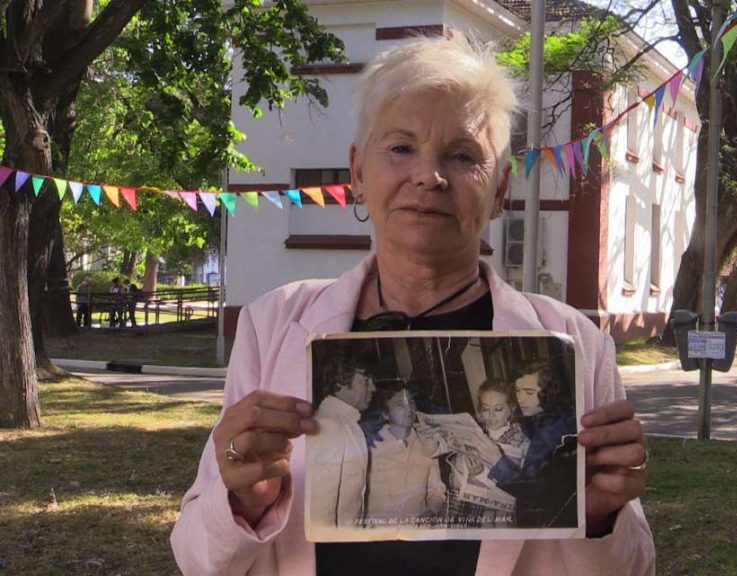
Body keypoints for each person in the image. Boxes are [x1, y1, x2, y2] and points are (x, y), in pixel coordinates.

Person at [171, 32, 654, 576]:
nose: (429, 175)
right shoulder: (274, 325)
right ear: (358, 173)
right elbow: (197, 558)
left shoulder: (576, 345)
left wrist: (600, 518)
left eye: (464, 155)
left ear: (500, 189)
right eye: (401, 148)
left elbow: (633, 568)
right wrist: (242, 502)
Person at [488, 363, 578, 527]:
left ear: (549, 393)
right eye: (517, 391)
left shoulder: (551, 431)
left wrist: (496, 458)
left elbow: (530, 488)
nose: (521, 399)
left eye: (529, 392)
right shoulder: (551, 418)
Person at [447, 379, 529, 528]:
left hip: (497, 518)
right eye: (486, 409)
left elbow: (518, 489)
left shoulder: (521, 442)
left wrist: (478, 473)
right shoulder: (474, 434)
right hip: (468, 511)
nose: (491, 415)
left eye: (498, 409)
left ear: (511, 409)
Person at [306, 361, 376, 530]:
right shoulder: (328, 427)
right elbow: (320, 519)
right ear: (340, 383)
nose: (373, 388)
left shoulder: (346, 423)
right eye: (366, 381)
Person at [364, 384, 446, 523]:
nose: (408, 409)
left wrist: (431, 510)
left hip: (416, 531)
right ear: (385, 414)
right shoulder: (369, 447)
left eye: (411, 403)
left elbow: (437, 491)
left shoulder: (427, 442)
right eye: (400, 405)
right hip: (378, 532)